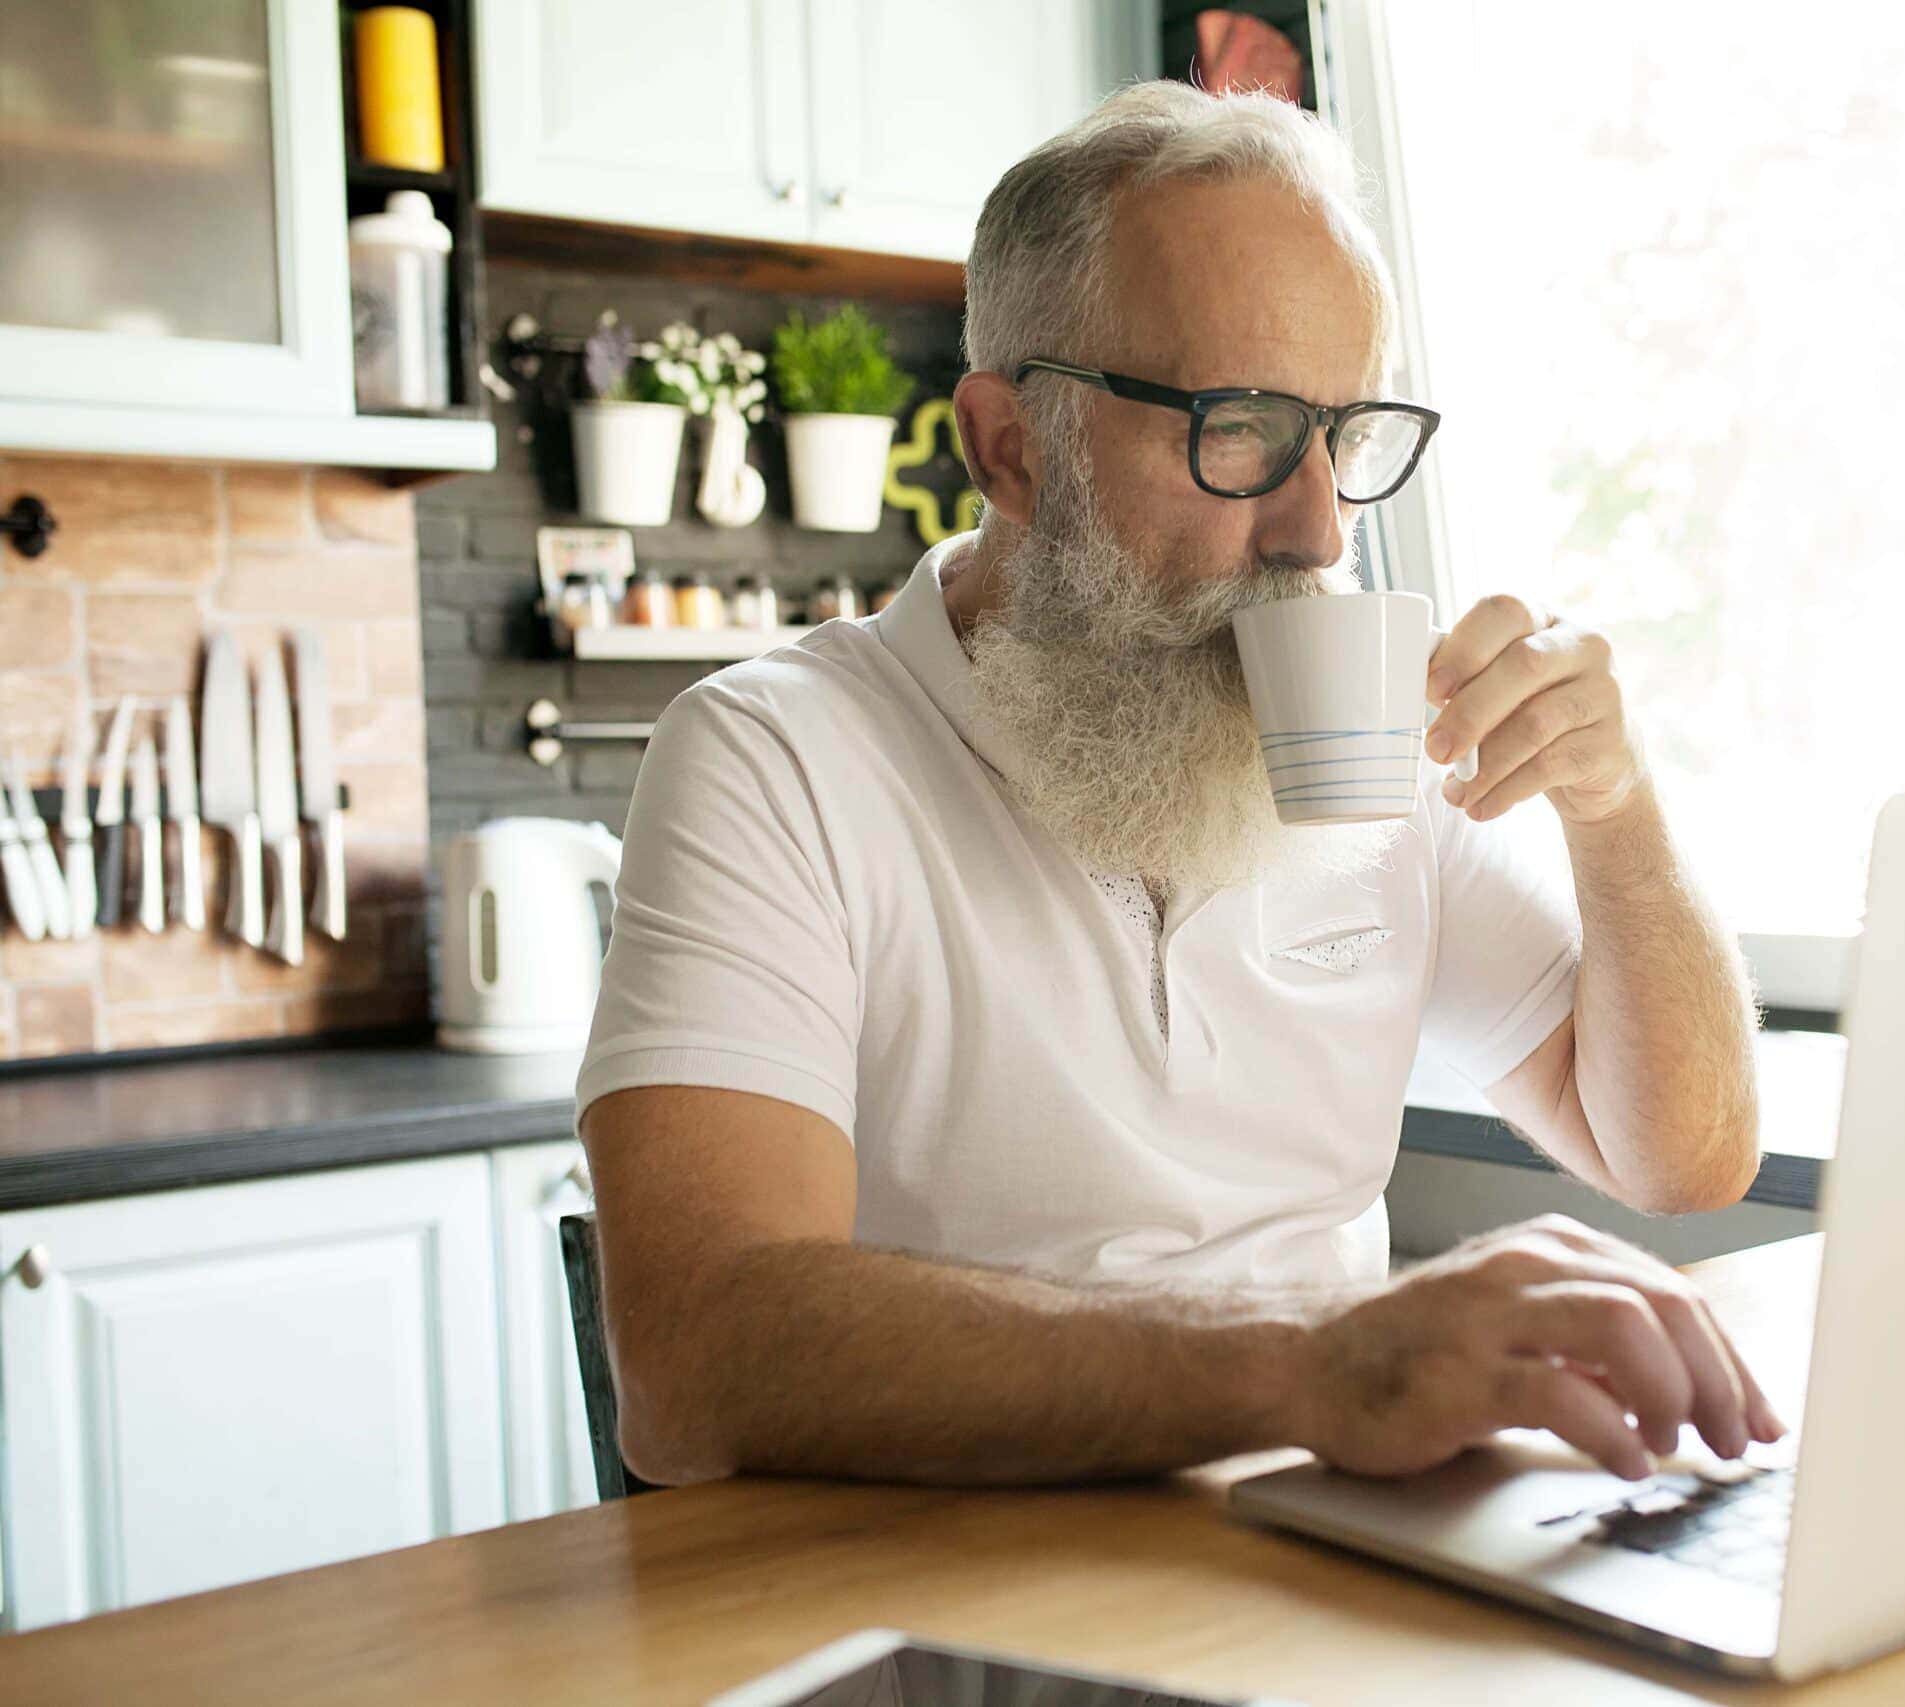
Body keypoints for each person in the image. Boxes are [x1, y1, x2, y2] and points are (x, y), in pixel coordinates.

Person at [576, 82, 1778, 1492]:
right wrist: (1313, 1365)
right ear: (1012, 447)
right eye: (1241, 427)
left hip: (1337, 1583)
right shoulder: (775, 760)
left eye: (1346, 436)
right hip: (974, 1629)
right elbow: (696, 1363)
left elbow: (1680, 1158)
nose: (1318, 526)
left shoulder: (1364, 735)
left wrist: (1616, 813)